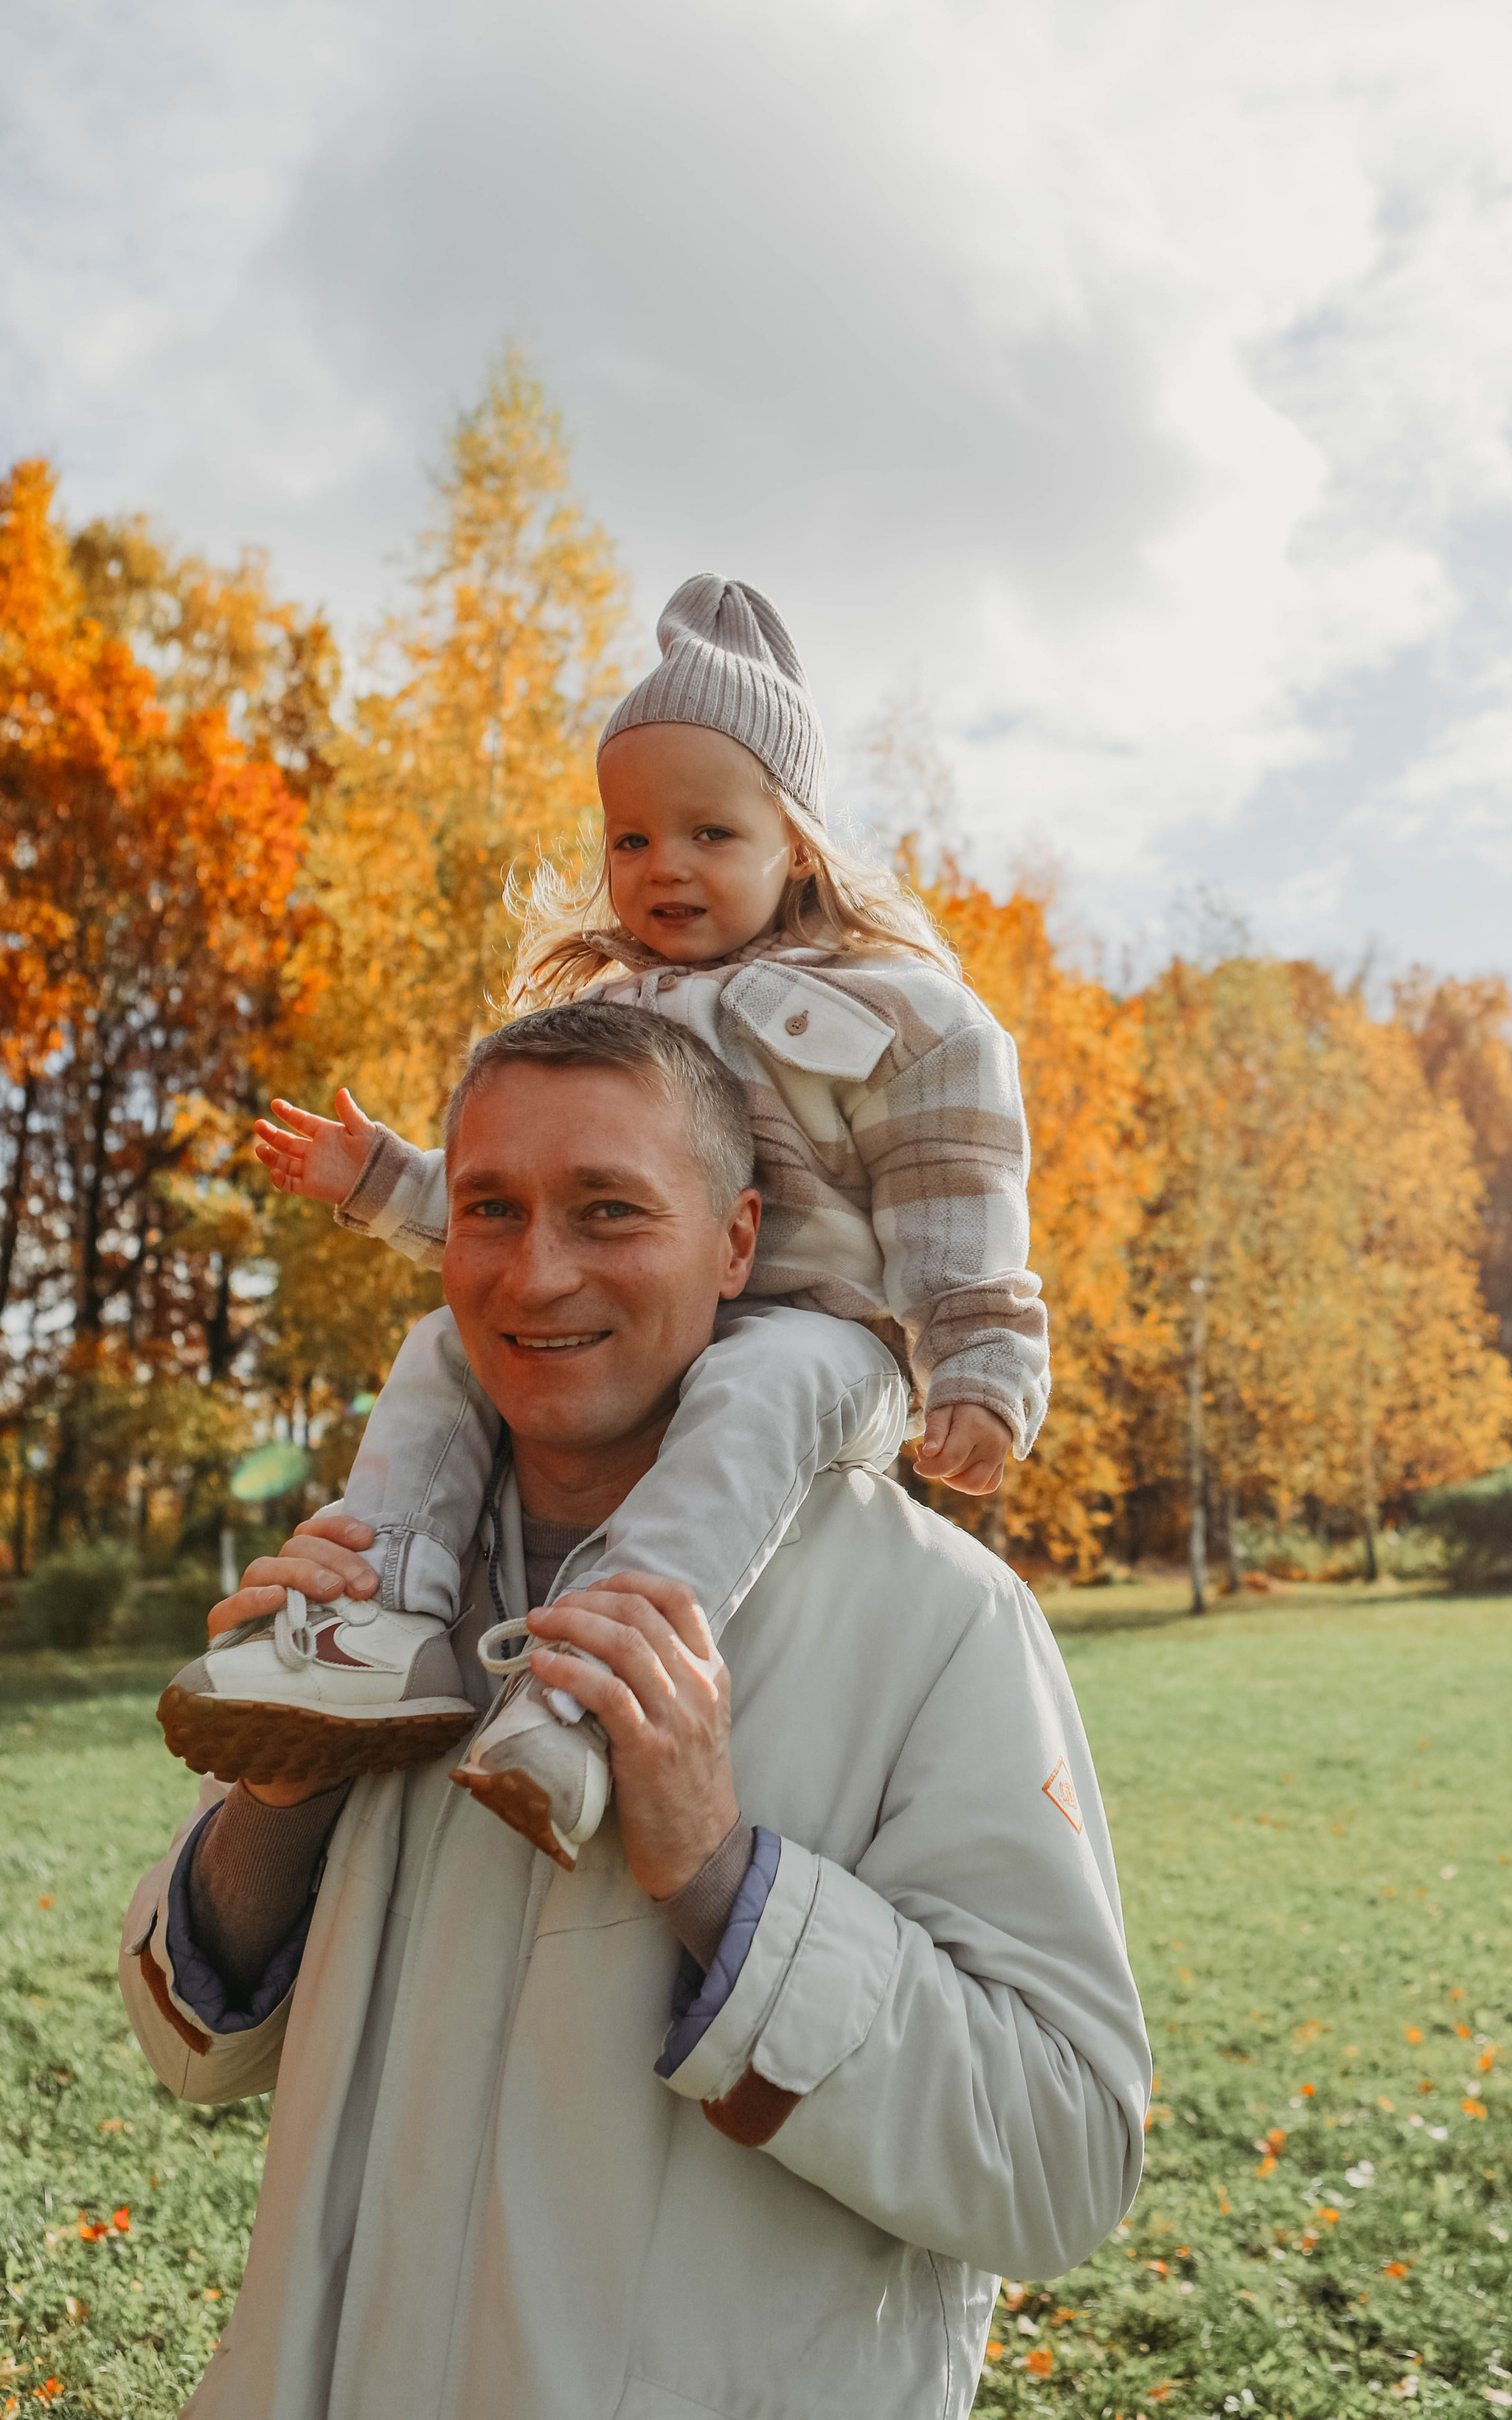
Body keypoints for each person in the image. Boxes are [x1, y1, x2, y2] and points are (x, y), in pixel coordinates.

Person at [122, 1000, 1148, 2420]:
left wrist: (717, 1876)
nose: (536, 1273)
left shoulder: (939, 1619)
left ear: (737, 1243)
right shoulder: (376, 1593)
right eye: (489, 1208)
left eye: (609, 1210)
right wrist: (279, 1793)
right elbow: (186, 2044)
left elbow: (1060, 2163)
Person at [160, 576, 1048, 1869]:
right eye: (630, 840)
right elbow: (530, 1226)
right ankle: (376, 1621)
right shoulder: (599, 1023)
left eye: (709, 832)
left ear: (798, 843)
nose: (663, 866)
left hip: (821, 1346)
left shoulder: (896, 1012)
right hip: (658, 1341)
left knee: (759, 1383)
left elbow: (956, 1196)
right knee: (442, 1346)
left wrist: (978, 1364)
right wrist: (383, 1180)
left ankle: (591, 1683)